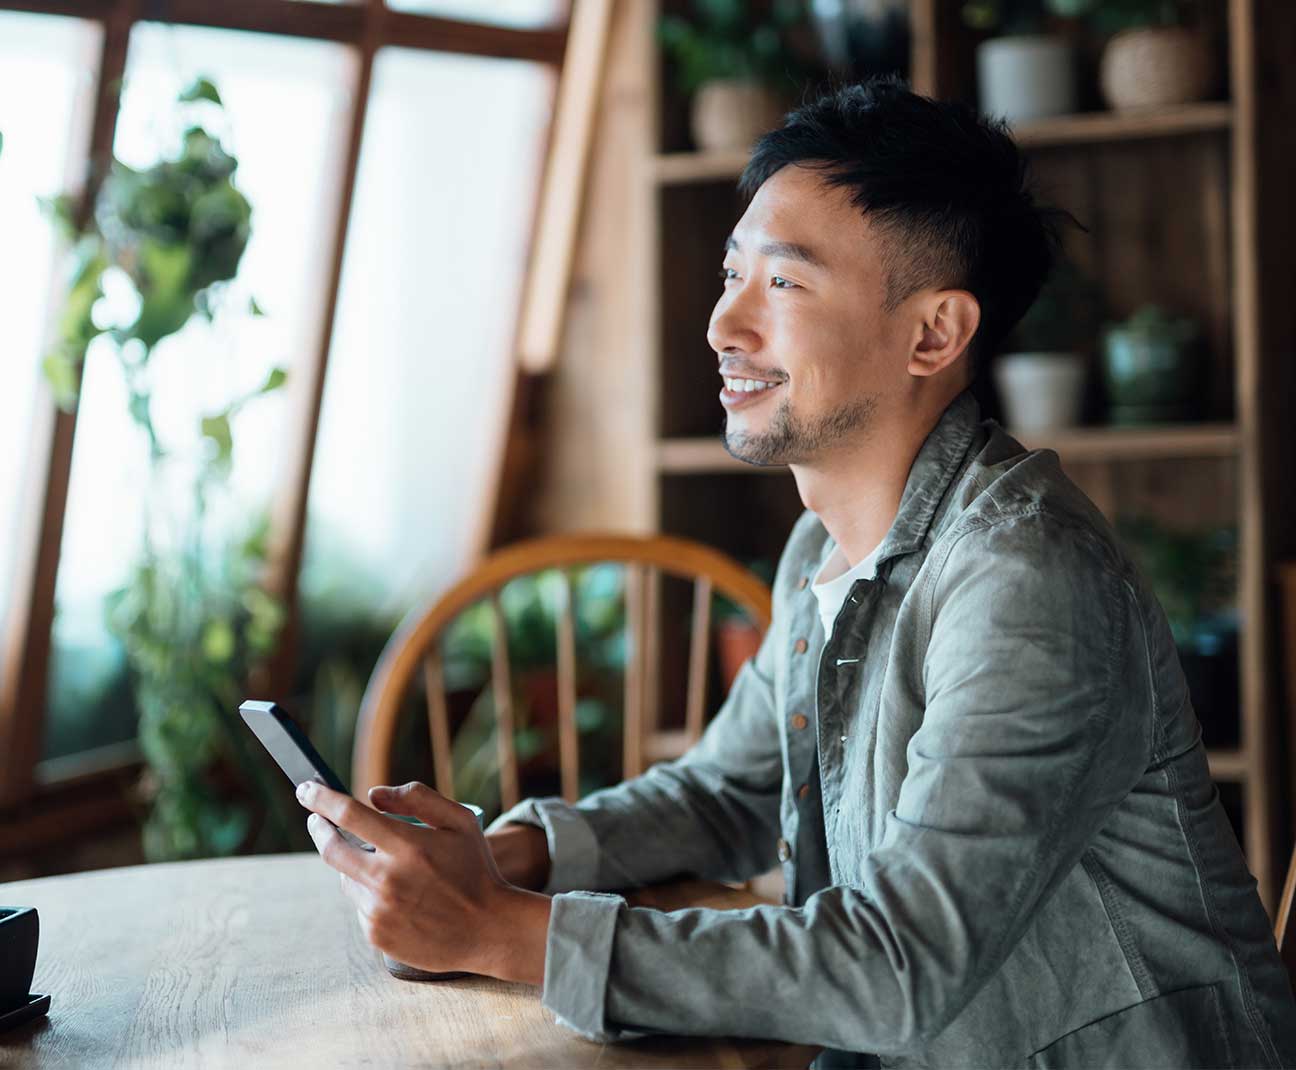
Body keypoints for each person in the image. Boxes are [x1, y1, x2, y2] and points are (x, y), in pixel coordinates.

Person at [296, 75, 1296, 1068]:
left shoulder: (1027, 579)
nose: (725, 325)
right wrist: (503, 858)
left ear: (934, 332)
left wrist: (496, 930)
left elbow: (895, 965)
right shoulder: (825, 547)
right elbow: (722, 795)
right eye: (734, 273)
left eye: (782, 282)